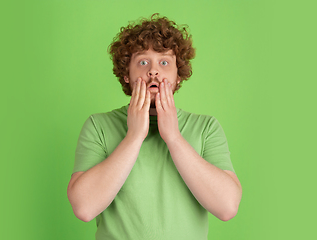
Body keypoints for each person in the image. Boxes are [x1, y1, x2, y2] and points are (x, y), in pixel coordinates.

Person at [67, 14, 242, 240]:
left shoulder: (206, 127)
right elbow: (84, 207)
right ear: (126, 75)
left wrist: (174, 138)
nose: (153, 71)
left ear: (178, 76)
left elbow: (227, 207)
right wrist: (133, 137)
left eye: (165, 62)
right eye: (142, 62)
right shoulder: (99, 126)